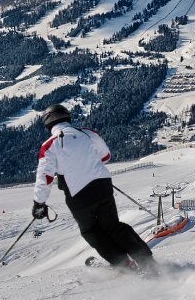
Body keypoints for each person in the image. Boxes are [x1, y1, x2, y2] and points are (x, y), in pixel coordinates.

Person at [32, 104, 156, 273]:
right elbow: (106, 155)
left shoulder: (49, 145)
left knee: (91, 231)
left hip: (78, 193)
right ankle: (147, 261)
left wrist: (39, 203)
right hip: (102, 185)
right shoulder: (88, 133)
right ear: (67, 117)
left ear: (48, 124)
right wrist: (88, 165)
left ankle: (124, 265)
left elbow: (45, 177)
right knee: (113, 226)